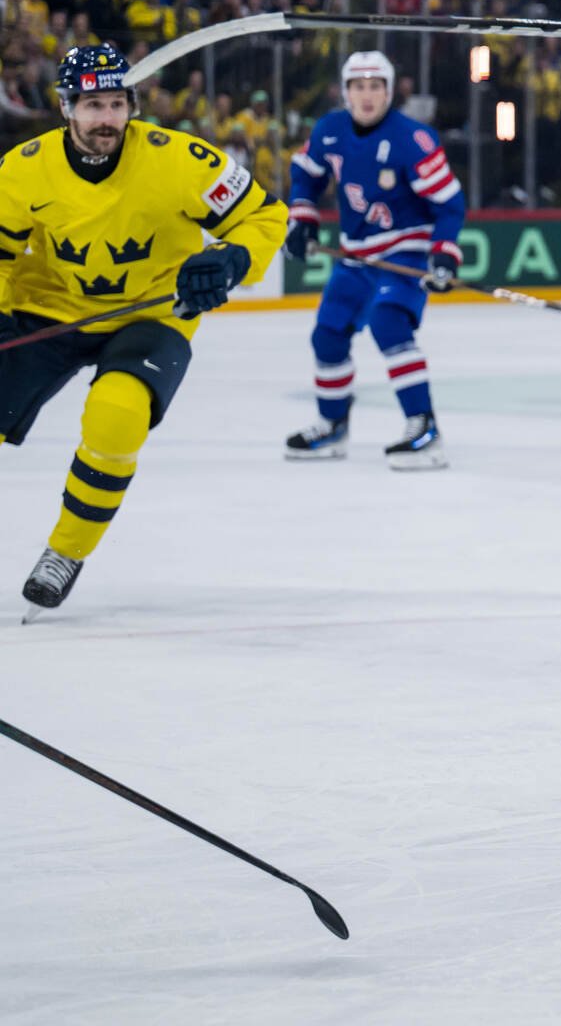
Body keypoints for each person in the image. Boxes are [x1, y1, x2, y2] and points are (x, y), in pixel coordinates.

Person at [0, 43, 287, 617]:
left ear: (132, 105)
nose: (106, 119)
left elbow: (265, 215)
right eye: (92, 105)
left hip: (152, 311)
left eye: (116, 103)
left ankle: (66, 552)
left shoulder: (180, 159)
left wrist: (231, 259)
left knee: (118, 415)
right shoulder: (21, 168)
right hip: (51, 307)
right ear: (65, 108)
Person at [282, 50, 465, 469]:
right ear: (345, 92)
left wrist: (444, 256)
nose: (367, 96)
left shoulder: (412, 140)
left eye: (375, 86)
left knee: (389, 323)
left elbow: (450, 205)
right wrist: (303, 219)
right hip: (356, 254)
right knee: (326, 336)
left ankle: (424, 427)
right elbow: (305, 175)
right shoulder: (329, 130)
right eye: (358, 87)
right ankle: (332, 425)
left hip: (406, 250)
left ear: (389, 91)